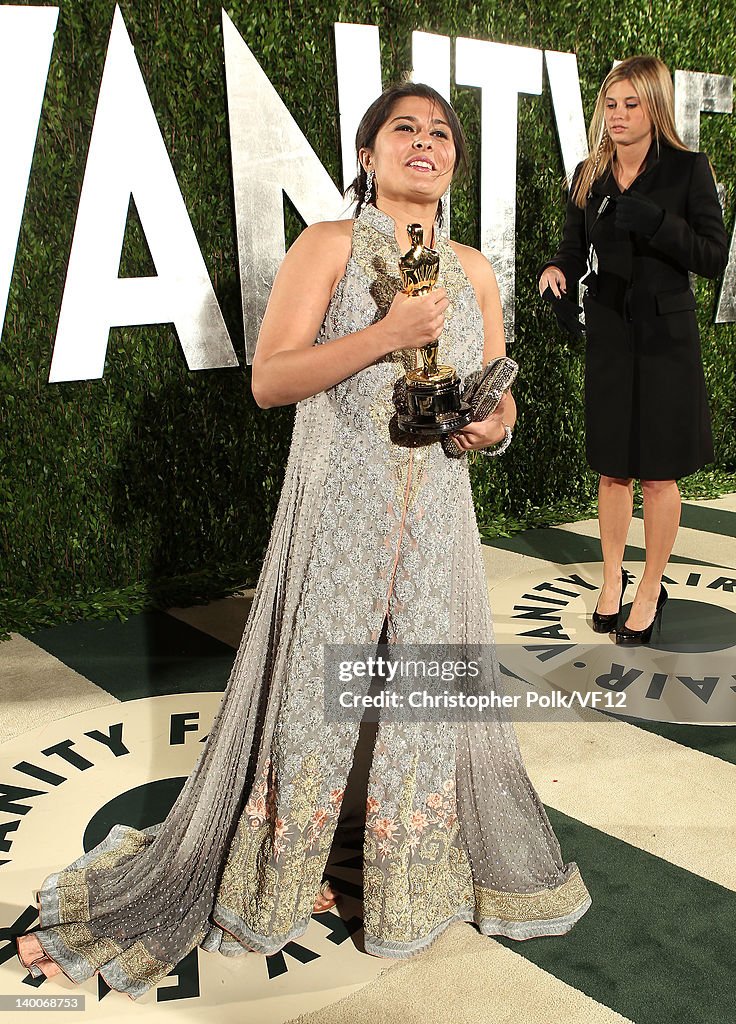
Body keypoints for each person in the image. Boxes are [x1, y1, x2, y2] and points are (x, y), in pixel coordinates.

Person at [17, 82, 590, 999]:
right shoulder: (328, 246)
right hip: (339, 517)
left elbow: (498, 393)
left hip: (439, 521)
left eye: (441, 133)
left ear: (453, 164)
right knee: (315, 702)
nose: (425, 142)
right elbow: (272, 380)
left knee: (422, 705)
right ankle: (277, 877)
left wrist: (496, 426)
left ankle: (406, 889)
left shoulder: (475, 270)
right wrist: (386, 333)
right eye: (403, 128)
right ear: (367, 155)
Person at [539, 55, 728, 644]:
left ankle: (651, 585)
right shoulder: (588, 173)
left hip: (668, 338)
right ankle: (614, 578)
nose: (618, 115)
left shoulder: (688, 171)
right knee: (614, 468)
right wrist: (557, 269)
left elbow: (713, 256)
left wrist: (653, 220)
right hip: (611, 339)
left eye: (631, 103)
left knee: (658, 474)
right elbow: (573, 248)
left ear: (655, 106)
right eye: (611, 104)